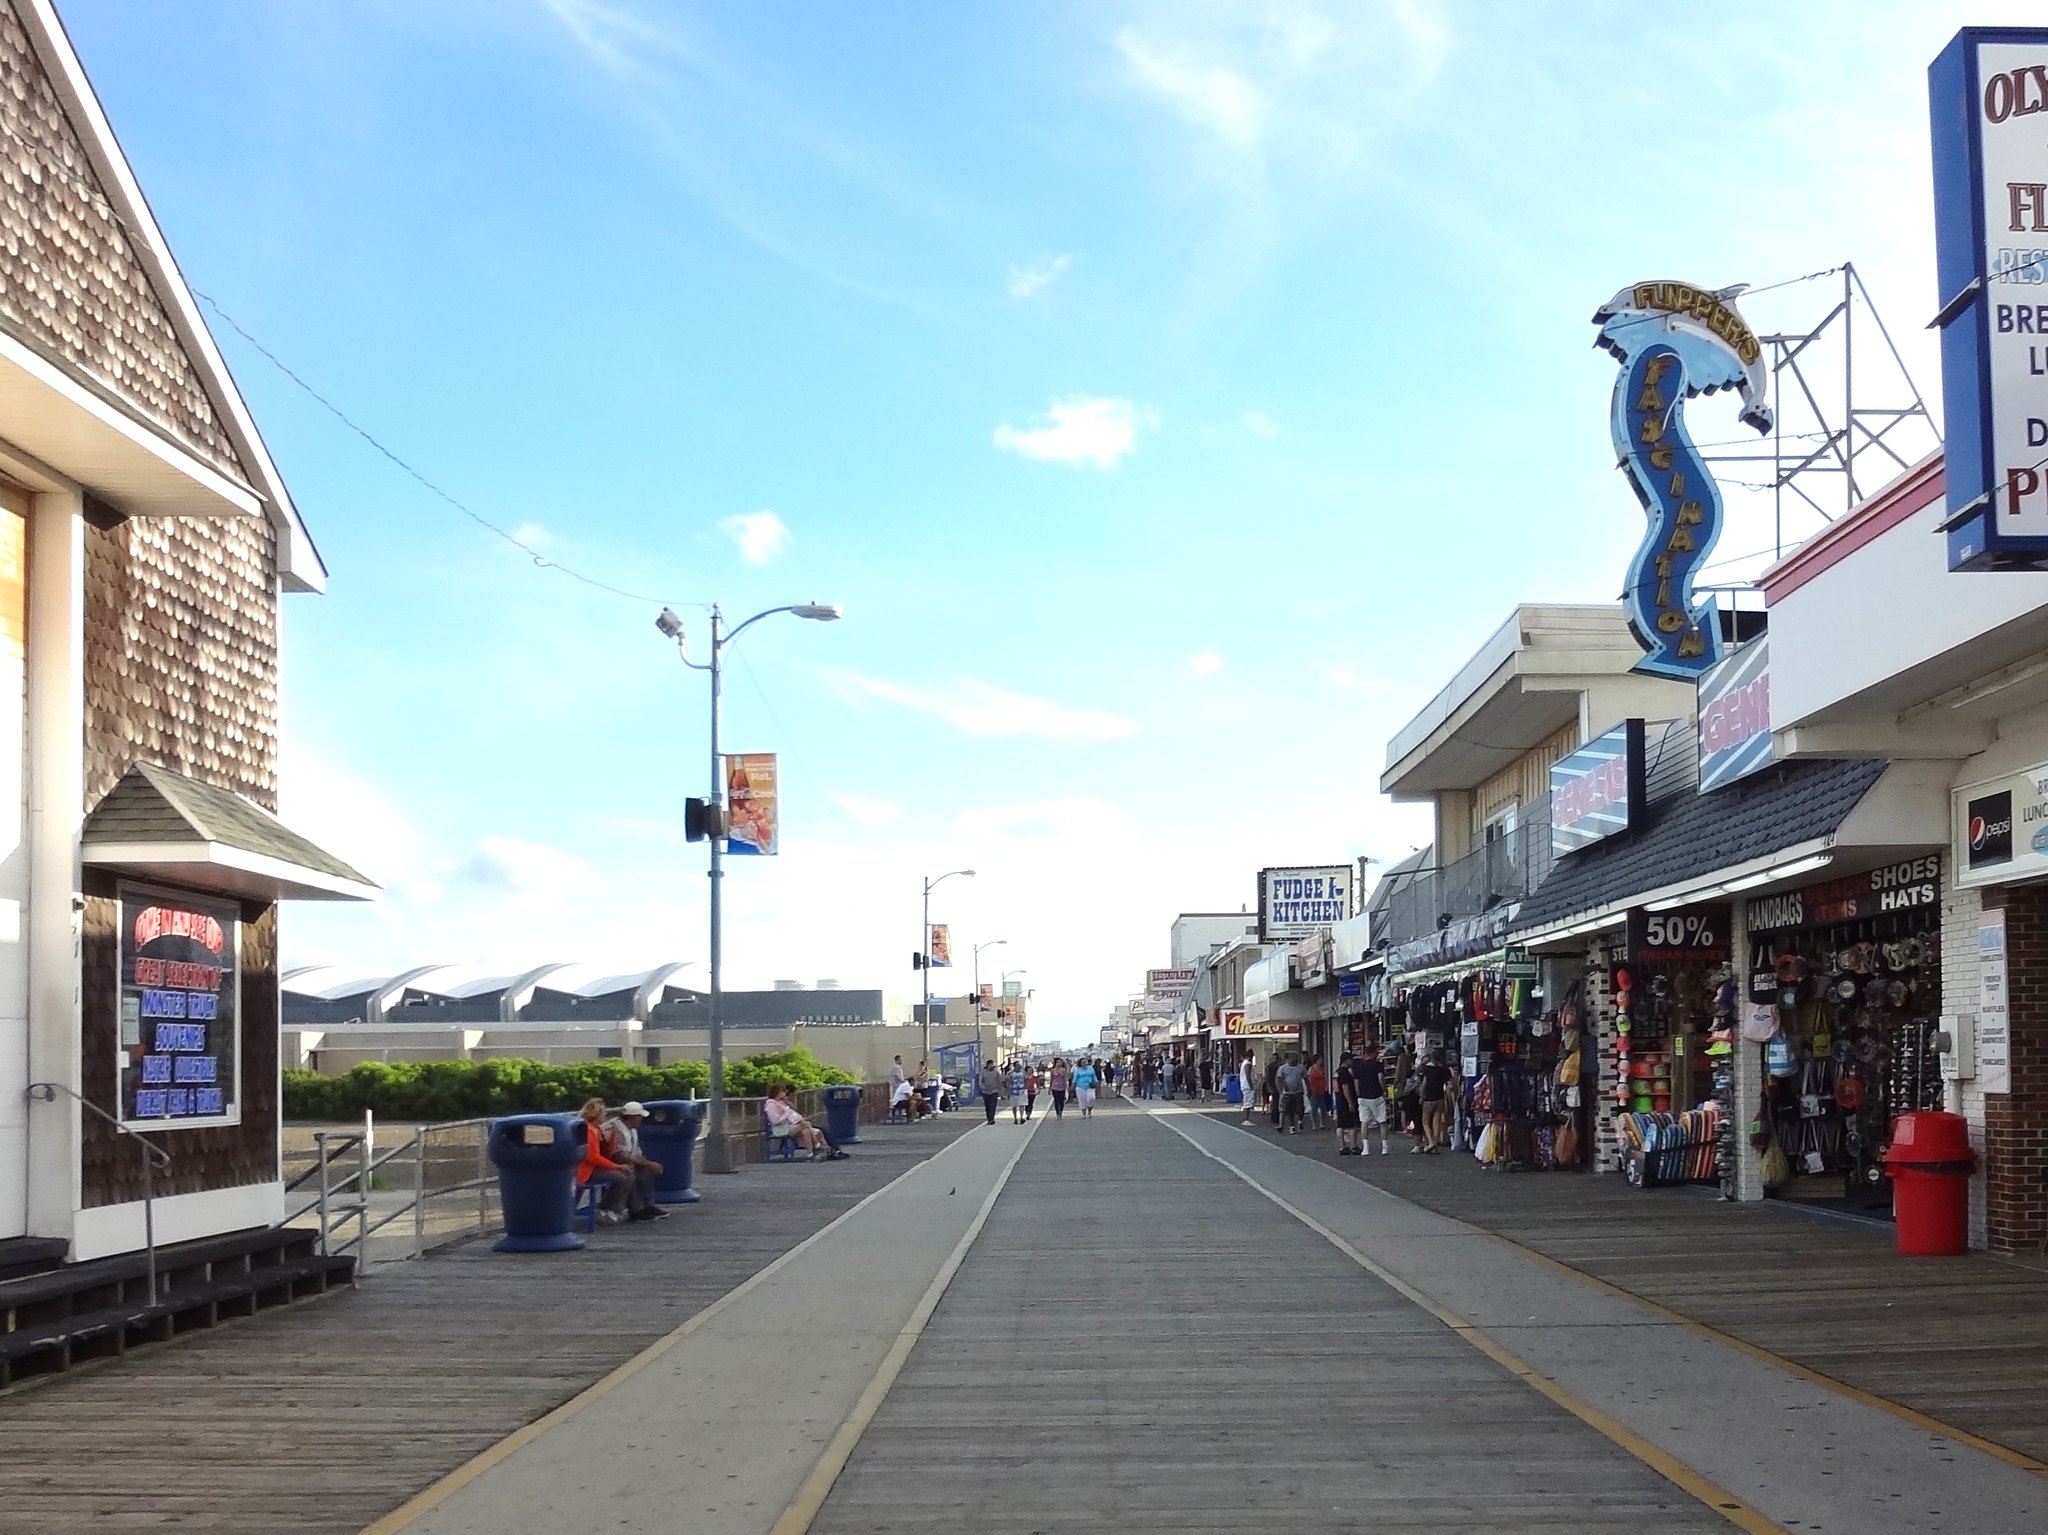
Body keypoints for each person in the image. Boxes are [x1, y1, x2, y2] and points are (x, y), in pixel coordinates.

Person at [602, 1101, 670, 1220]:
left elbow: (636, 1152)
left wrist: (647, 1164)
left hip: (625, 1160)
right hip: (612, 1162)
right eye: (639, 1116)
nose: (641, 1119)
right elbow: (619, 1155)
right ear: (632, 1117)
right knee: (632, 1172)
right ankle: (635, 1208)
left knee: (645, 1170)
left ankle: (647, 1205)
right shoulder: (616, 1130)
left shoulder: (632, 1130)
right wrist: (648, 1163)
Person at [576, 1098, 634, 1223]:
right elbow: (593, 1157)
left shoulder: (597, 1130)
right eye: (603, 1114)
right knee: (621, 1177)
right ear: (596, 1115)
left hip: (593, 1167)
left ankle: (616, 1208)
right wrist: (617, 1166)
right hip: (586, 1170)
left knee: (627, 1175)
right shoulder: (589, 1131)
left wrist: (612, 1139)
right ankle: (610, 1208)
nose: (605, 1117)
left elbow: (606, 1153)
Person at [764, 1082, 848, 1160]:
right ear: (777, 1093)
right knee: (806, 1125)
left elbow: (793, 1113)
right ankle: (820, 1145)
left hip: (790, 1125)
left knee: (806, 1130)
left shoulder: (782, 1103)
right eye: (782, 1092)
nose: (784, 1094)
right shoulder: (771, 1105)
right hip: (780, 1129)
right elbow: (775, 1121)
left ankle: (811, 1153)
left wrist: (788, 1106)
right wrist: (787, 1113)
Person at [1355, 1042, 1391, 1155]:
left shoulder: (1359, 1066)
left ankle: (1366, 1148)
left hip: (1363, 1097)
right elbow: (1380, 1078)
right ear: (1373, 1052)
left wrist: (1358, 1094)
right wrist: (1384, 1090)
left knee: (1364, 1122)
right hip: (1376, 1096)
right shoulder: (1377, 1065)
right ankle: (1384, 1147)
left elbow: (1356, 1082)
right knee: (1382, 1121)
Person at [1416, 1051, 1453, 1153]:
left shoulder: (1426, 1069)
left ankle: (1431, 1142)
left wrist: (1421, 1096)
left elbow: (1423, 1083)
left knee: (1425, 1122)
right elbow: (1450, 1085)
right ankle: (1435, 1145)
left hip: (1428, 1098)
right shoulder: (1443, 1070)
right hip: (1439, 1098)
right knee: (1436, 1122)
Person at [1333, 1053, 1362, 1155]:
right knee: (1351, 1125)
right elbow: (1346, 1088)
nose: (1352, 1062)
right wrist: (1350, 1102)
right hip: (1346, 1101)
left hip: (1339, 1100)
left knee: (1340, 1125)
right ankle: (1354, 1146)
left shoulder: (1336, 1072)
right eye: (1351, 1060)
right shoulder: (1345, 1073)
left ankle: (1342, 1147)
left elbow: (1336, 1087)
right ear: (1346, 1060)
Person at [1275, 1052, 1307, 1134]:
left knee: (1300, 1108)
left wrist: (1309, 1088)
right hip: (1287, 1093)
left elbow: (1305, 1078)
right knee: (1290, 1110)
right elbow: (1278, 1080)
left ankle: (1300, 1121)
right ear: (1287, 1059)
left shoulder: (1301, 1067)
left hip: (1298, 1091)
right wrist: (1281, 1089)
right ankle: (1292, 1126)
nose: (1295, 1059)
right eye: (1293, 1057)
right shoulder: (1283, 1068)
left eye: (1296, 1057)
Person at [976, 1058, 1005, 1125]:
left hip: (994, 1091)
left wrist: (1000, 1090)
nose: (993, 1066)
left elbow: (999, 1080)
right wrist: (982, 1087)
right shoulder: (983, 1072)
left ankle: (991, 1119)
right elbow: (980, 1081)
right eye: (992, 1064)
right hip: (985, 1092)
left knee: (993, 1106)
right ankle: (989, 1118)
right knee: (987, 1106)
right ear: (988, 1065)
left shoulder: (996, 1072)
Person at [1306, 1054, 1328, 1132]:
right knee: (1314, 1108)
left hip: (1321, 1090)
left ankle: (1322, 1123)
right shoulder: (1311, 1069)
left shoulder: (1322, 1069)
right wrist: (1312, 1089)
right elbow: (1309, 1080)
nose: (1321, 1061)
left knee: (1323, 1108)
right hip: (1314, 1091)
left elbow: (1324, 1078)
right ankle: (1314, 1124)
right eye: (1320, 1059)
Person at [1238, 1051, 1258, 1126]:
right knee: (1248, 1103)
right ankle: (1246, 1119)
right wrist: (1251, 1085)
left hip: (1244, 1084)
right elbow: (1248, 1075)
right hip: (1247, 1085)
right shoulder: (1247, 1064)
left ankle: (1246, 1118)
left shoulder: (1244, 1063)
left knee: (1247, 1101)